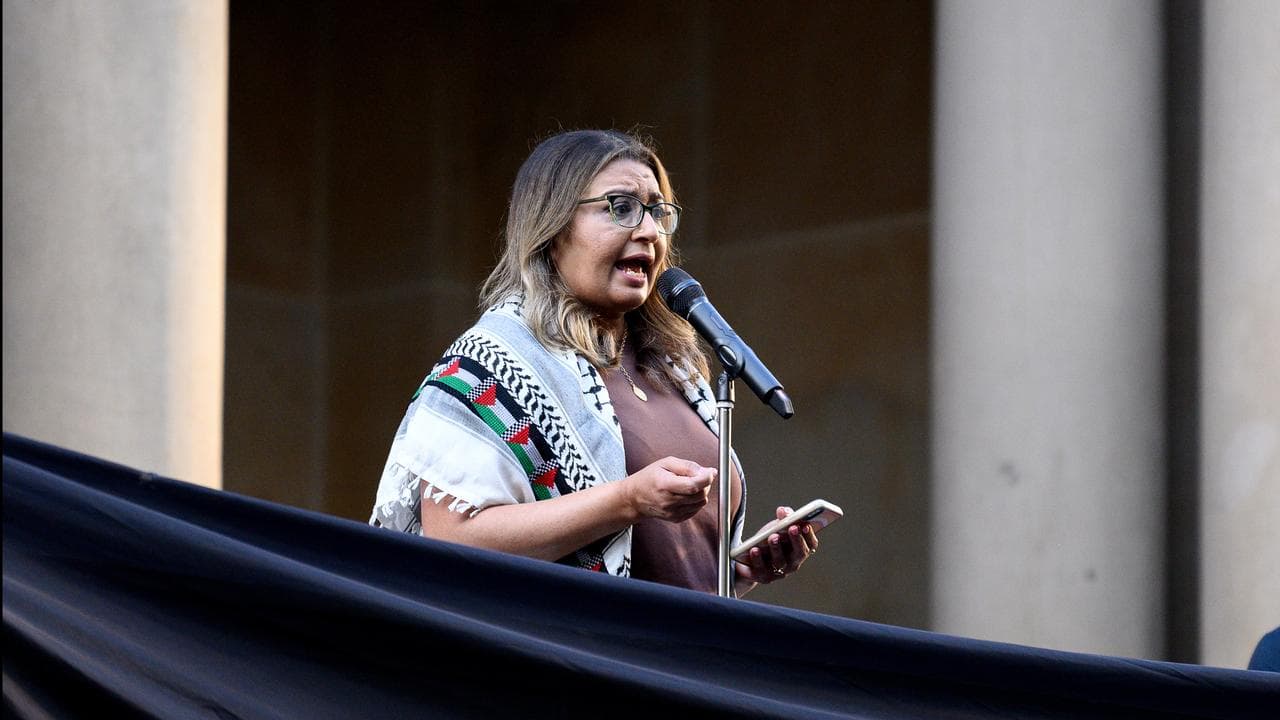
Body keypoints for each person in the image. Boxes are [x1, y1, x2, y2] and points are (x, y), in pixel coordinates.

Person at [370, 129, 815, 596]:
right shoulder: (489, 363)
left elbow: (668, 570)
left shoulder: (674, 371)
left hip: (687, 645)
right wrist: (627, 500)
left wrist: (743, 570)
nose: (649, 231)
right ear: (553, 228)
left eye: (657, 212)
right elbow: (451, 542)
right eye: (620, 207)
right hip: (574, 644)